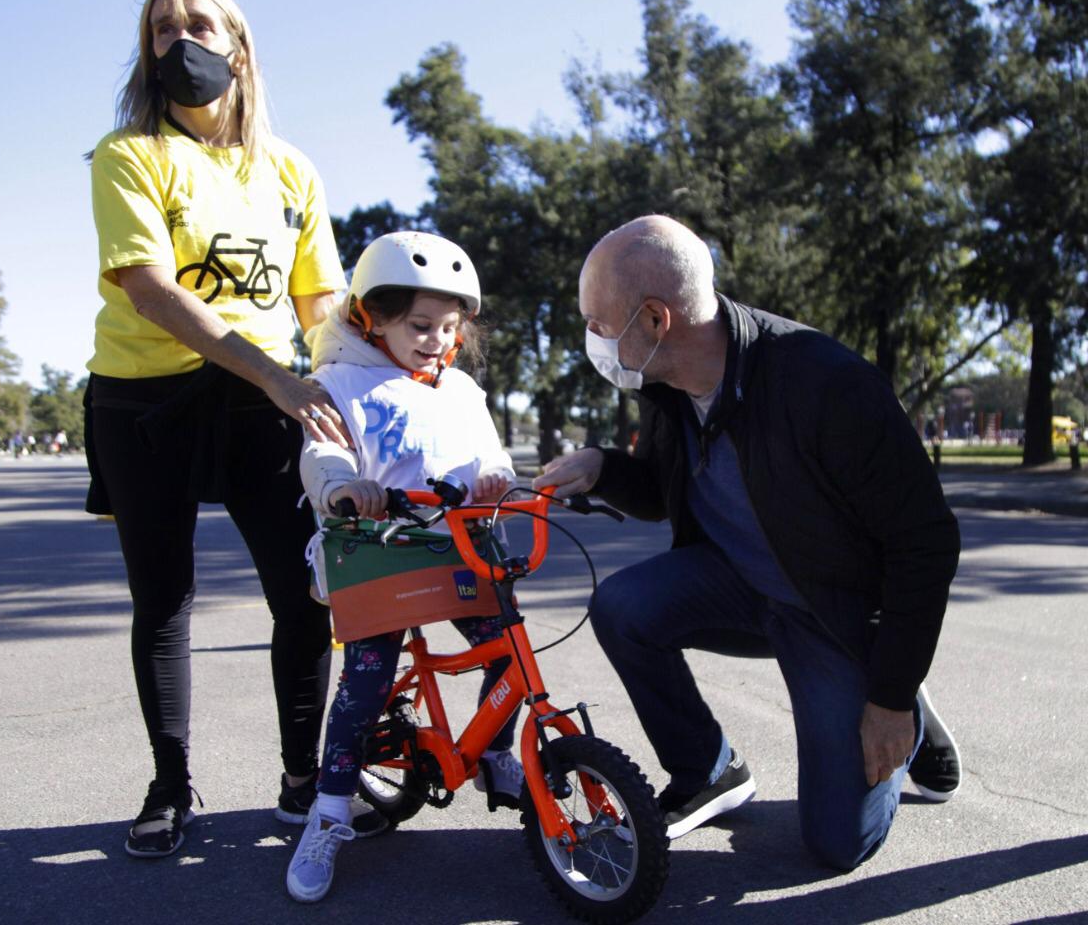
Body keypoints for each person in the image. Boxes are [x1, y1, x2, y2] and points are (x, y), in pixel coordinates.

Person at [536, 215, 962, 871]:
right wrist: (601, 466)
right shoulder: (665, 383)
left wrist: (890, 697)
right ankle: (709, 769)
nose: (589, 336)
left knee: (836, 845)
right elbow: (659, 490)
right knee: (623, 606)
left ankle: (895, 684)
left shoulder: (826, 384)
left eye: (598, 320)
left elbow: (926, 543)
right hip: (741, 582)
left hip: (834, 612)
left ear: (655, 319)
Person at [85, 0, 379, 859]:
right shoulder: (127, 154)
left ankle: (303, 780)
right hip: (146, 400)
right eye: (161, 29)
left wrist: (374, 381)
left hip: (263, 401)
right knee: (164, 599)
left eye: (197, 25)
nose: (179, 41)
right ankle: (170, 784)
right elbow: (150, 288)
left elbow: (320, 301)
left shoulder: (291, 169)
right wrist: (278, 376)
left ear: (240, 49)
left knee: (305, 595)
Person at [287, 232, 522, 902]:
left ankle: (494, 751)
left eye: (448, 327)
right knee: (364, 682)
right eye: (420, 325)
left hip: (456, 543)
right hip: (375, 550)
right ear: (371, 316)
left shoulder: (463, 390)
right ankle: (330, 810)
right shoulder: (337, 382)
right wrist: (340, 488)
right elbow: (322, 454)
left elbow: (492, 458)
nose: (436, 339)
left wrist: (496, 481)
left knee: (510, 648)